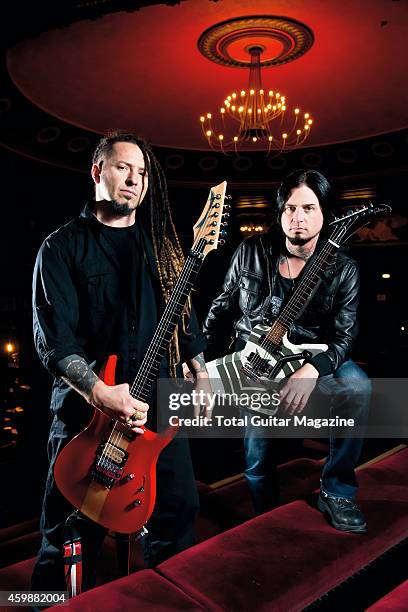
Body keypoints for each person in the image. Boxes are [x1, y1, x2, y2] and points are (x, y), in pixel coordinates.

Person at [32, 132, 209, 591]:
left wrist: (200, 365)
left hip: (159, 411)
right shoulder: (60, 248)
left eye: (143, 172)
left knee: (177, 517)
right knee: (68, 536)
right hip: (86, 415)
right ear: (97, 172)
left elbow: (180, 309)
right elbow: (54, 341)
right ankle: (46, 602)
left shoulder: (159, 245)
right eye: (123, 167)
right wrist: (99, 392)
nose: (135, 179)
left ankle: (163, 598)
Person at [204, 169, 371, 533]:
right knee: (256, 450)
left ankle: (337, 490)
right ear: (280, 214)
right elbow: (220, 309)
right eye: (291, 208)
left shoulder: (344, 269)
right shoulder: (250, 252)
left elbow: (345, 339)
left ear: (325, 213)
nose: (298, 217)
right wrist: (200, 361)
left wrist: (311, 370)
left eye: (309, 208)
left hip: (312, 356)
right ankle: (266, 514)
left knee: (358, 386)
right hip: (257, 356)